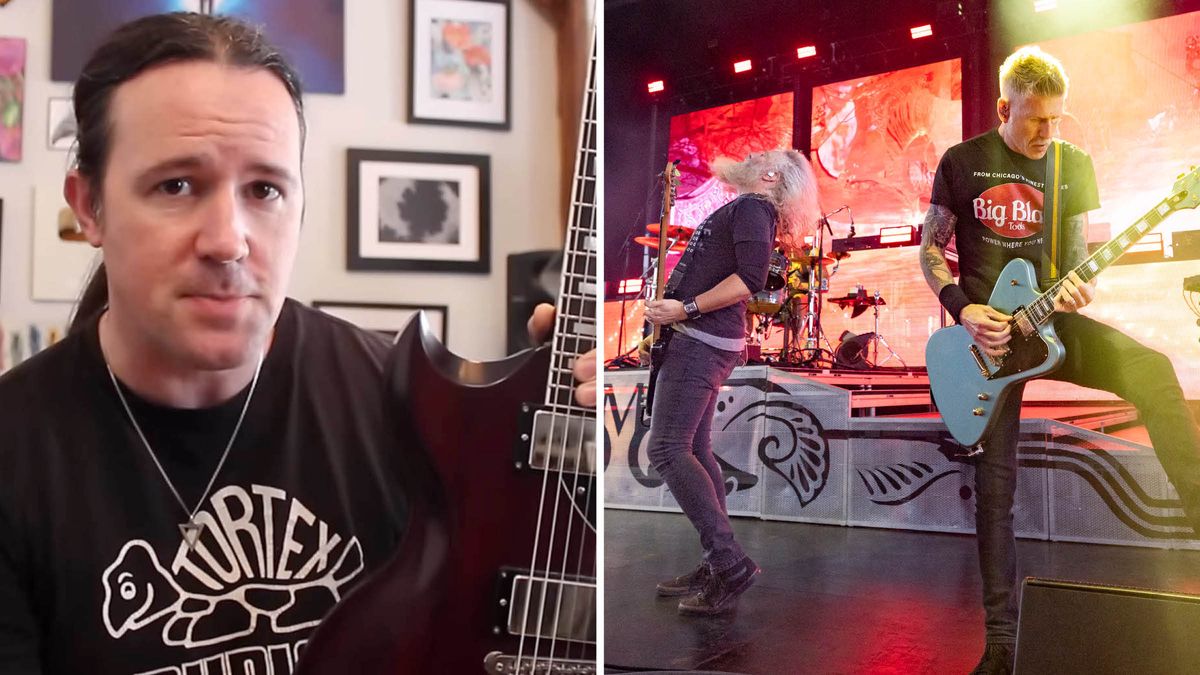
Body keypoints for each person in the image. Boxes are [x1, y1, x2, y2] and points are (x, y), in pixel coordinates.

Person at [0, 12, 594, 674]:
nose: (228, 239)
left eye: (264, 190)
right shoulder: (16, 451)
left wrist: (567, 477)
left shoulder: (411, 406)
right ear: (88, 207)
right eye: (176, 185)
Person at [919, 46, 1200, 675]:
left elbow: (1073, 262)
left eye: (1057, 120)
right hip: (985, 342)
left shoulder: (1073, 164)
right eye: (1036, 119)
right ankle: (1001, 644)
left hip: (1048, 323)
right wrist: (963, 308)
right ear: (1004, 108)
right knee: (997, 493)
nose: (1049, 132)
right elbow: (930, 249)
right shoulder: (963, 162)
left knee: (1153, 370)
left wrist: (1077, 285)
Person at [642, 149, 820, 615]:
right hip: (702, 340)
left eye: (762, 155)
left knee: (666, 449)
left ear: (770, 175)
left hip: (701, 340)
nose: (752, 154)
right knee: (695, 451)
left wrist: (685, 309)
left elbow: (751, 278)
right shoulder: (750, 209)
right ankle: (716, 561)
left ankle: (729, 562)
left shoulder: (751, 207)